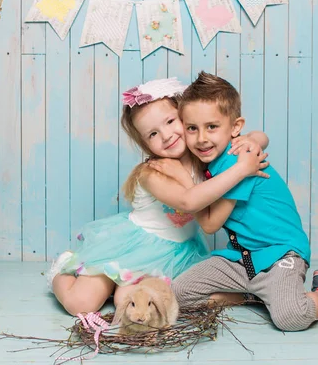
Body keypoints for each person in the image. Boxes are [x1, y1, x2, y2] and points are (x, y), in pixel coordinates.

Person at [47, 77, 270, 316]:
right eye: (153, 134)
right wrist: (242, 168)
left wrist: (252, 141)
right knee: (81, 304)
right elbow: (188, 201)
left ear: (186, 117)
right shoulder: (153, 173)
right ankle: (62, 271)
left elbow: (259, 135)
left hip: (176, 253)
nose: (166, 135)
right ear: (145, 144)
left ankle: (253, 292)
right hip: (131, 246)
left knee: (137, 301)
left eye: (171, 121)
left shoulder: (205, 152)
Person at [151, 72, 318, 332]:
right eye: (192, 128)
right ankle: (254, 295)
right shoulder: (217, 159)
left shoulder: (239, 163)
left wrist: (187, 180)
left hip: (279, 254)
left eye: (212, 127)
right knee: (180, 294)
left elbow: (210, 224)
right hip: (243, 259)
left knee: (291, 318)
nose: (202, 138)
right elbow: (259, 136)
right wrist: (257, 137)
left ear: (235, 127)